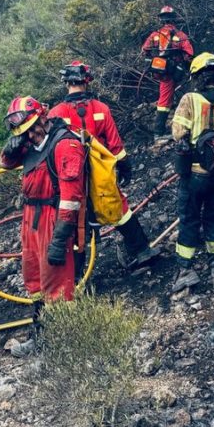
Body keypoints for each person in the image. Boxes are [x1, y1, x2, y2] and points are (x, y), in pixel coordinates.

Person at [48, 60, 160, 270]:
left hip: (71, 177)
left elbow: (49, 151)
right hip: (101, 173)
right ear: (87, 81)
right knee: (118, 207)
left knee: (76, 219)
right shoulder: (101, 108)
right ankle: (142, 251)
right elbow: (115, 145)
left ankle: (77, 275)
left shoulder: (55, 114)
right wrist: (125, 166)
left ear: (66, 83)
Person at [0, 96, 87, 302]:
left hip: (53, 218)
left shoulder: (65, 145)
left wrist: (59, 239)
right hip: (31, 219)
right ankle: (40, 314)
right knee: (33, 274)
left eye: (32, 130)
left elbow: (71, 199)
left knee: (56, 280)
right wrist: (10, 149)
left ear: (42, 118)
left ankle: (61, 323)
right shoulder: (29, 144)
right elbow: (5, 164)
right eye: (24, 133)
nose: (30, 136)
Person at [169, 54, 214, 294]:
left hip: (196, 173)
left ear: (197, 76)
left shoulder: (190, 99)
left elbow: (179, 132)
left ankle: (185, 269)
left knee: (189, 217)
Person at [141, 6, 194, 137]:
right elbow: (189, 54)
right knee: (164, 101)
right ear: (174, 19)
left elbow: (145, 49)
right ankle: (158, 133)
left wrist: (156, 59)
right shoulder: (180, 36)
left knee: (167, 96)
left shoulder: (155, 35)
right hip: (172, 72)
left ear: (162, 20)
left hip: (159, 71)